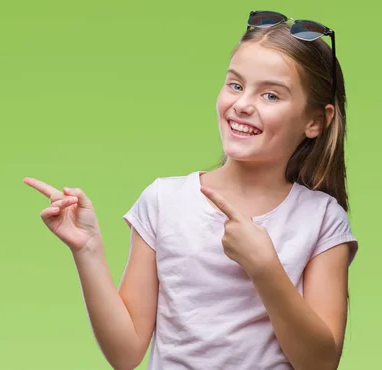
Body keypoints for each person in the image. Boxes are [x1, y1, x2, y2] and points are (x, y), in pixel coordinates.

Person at [23, 10, 358, 370]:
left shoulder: (322, 219)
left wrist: (265, 268)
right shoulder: (164, 201)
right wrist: (87, 249)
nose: (243, 104)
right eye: (235, 85)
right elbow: (125, 353)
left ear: (315, 121)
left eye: (271, 96)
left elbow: (321, 363)